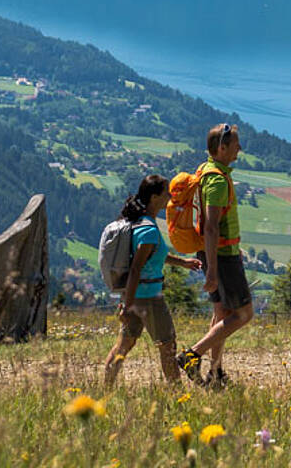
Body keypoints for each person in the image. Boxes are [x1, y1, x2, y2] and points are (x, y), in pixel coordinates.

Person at [104, 174, 201, 389]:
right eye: (167, 191)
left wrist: (183, 263)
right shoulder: (148, 230)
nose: (170, 195)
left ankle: (105, 389)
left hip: (137, 296)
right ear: (155, 197)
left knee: (124, 345)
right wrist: (126, 307)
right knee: (167, 346)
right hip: (150, 299)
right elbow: (137, 268)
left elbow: (153, 255)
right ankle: (177, 395)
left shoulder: (139, 224)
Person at [177, 123, 250, 385]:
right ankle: (192, 355)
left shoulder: (206, 170)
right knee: (243, 314)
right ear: (222, 147)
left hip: (217, 253)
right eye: (235, 144)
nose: (239, 148)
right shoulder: (217, 180)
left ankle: (215, 372)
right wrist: (213, 270)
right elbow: (211, 226)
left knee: (221, 314)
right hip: (221, 257)